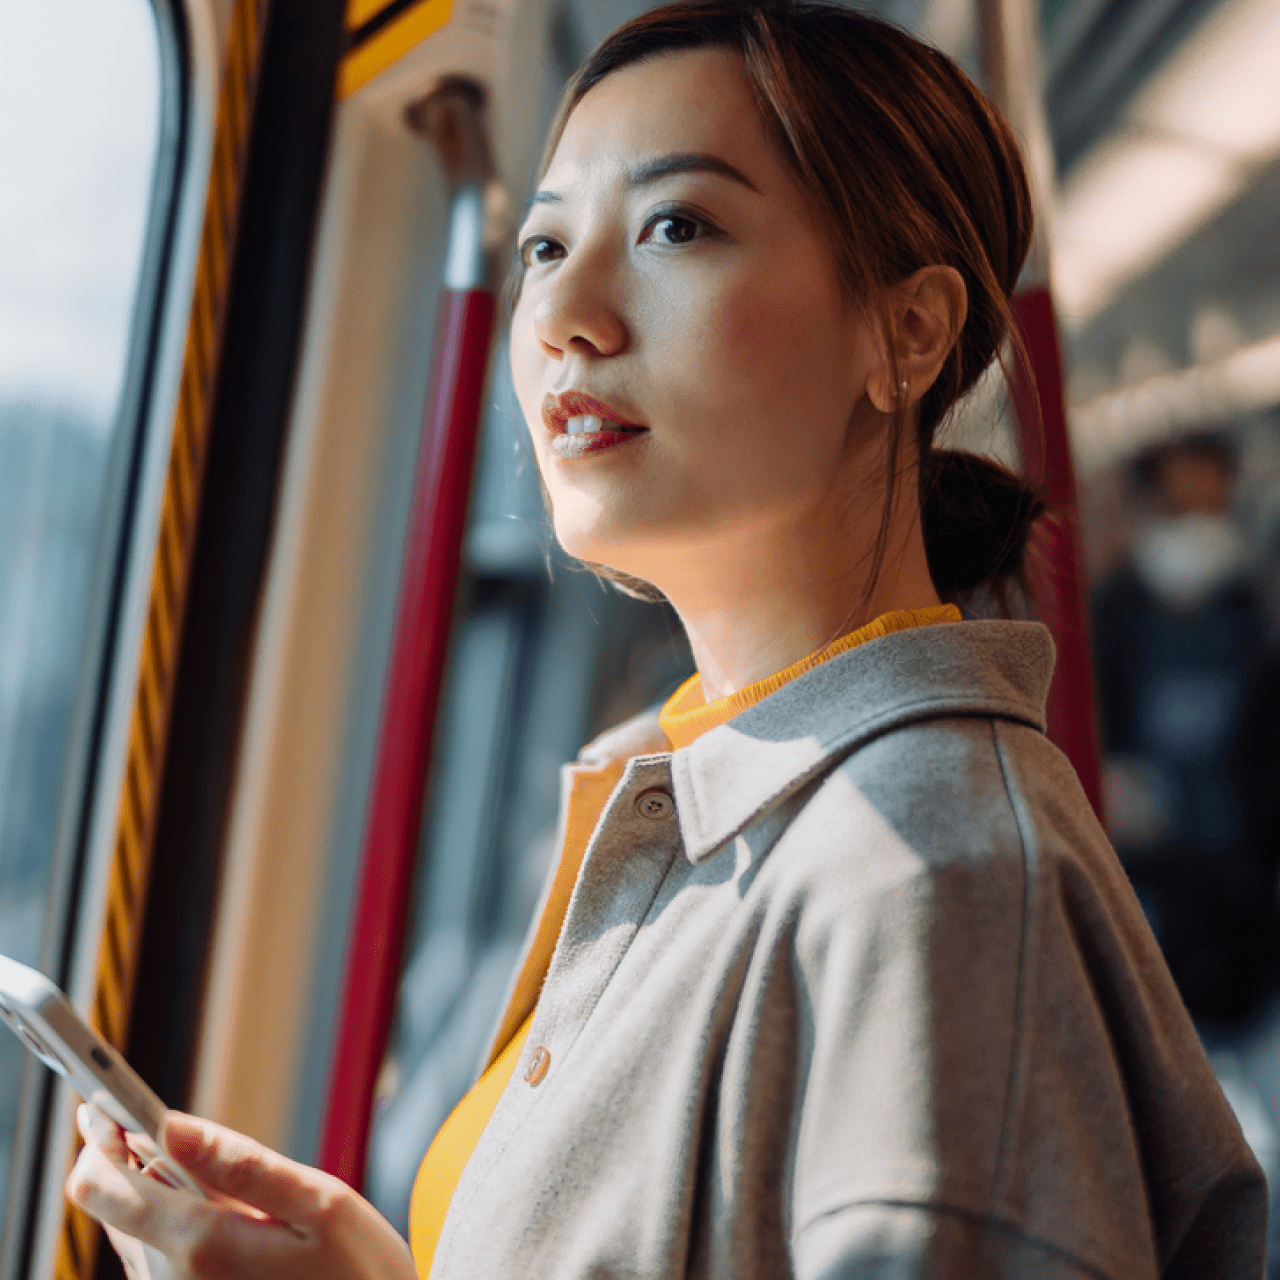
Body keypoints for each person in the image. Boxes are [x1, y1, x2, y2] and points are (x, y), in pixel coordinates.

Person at [67, 2, 1268, 1277]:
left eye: (673, 226)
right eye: (541, 243)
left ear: (906, 330)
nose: (563, 315)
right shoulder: (686, 779)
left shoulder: (936, 878)